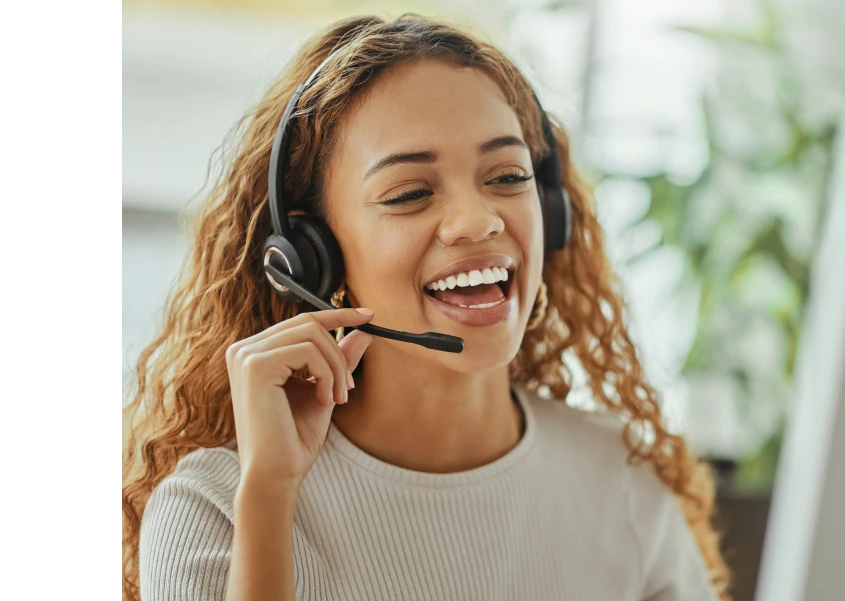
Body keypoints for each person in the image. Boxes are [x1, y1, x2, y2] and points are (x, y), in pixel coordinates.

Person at [120, 14, 731, 601]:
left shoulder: (619, 481)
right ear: (313, 256)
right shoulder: (217, 507)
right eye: (410, 193)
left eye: (508, 176)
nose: (477, 219)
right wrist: (270, 498)